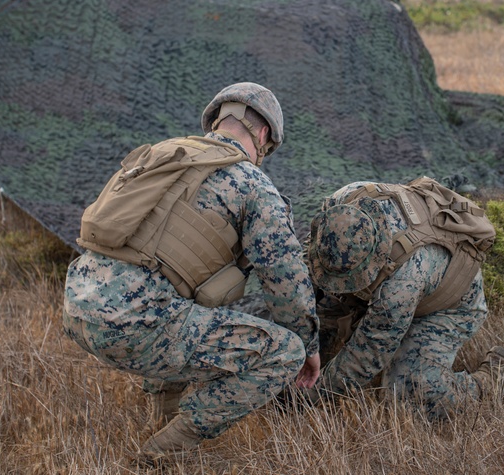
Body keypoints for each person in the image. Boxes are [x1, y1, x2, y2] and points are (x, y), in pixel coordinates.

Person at [63, 82, 320, 457]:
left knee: (178, 299)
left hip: (77, 306)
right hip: (134, 323)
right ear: (263, 133)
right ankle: (165, 452)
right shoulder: (253, 185)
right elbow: (287, 285)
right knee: (284, 352)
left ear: (216, 120)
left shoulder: (161, 155)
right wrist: (309, 346)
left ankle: (163, 417)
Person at [305, 178, 504, 419]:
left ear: (375, 258)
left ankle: (497, 377)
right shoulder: (344, 199)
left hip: (449, 303)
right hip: (413, 279)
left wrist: (305, 397)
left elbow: (366, 357)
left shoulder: (401, 283)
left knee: (407, 394)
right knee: (320, 315)